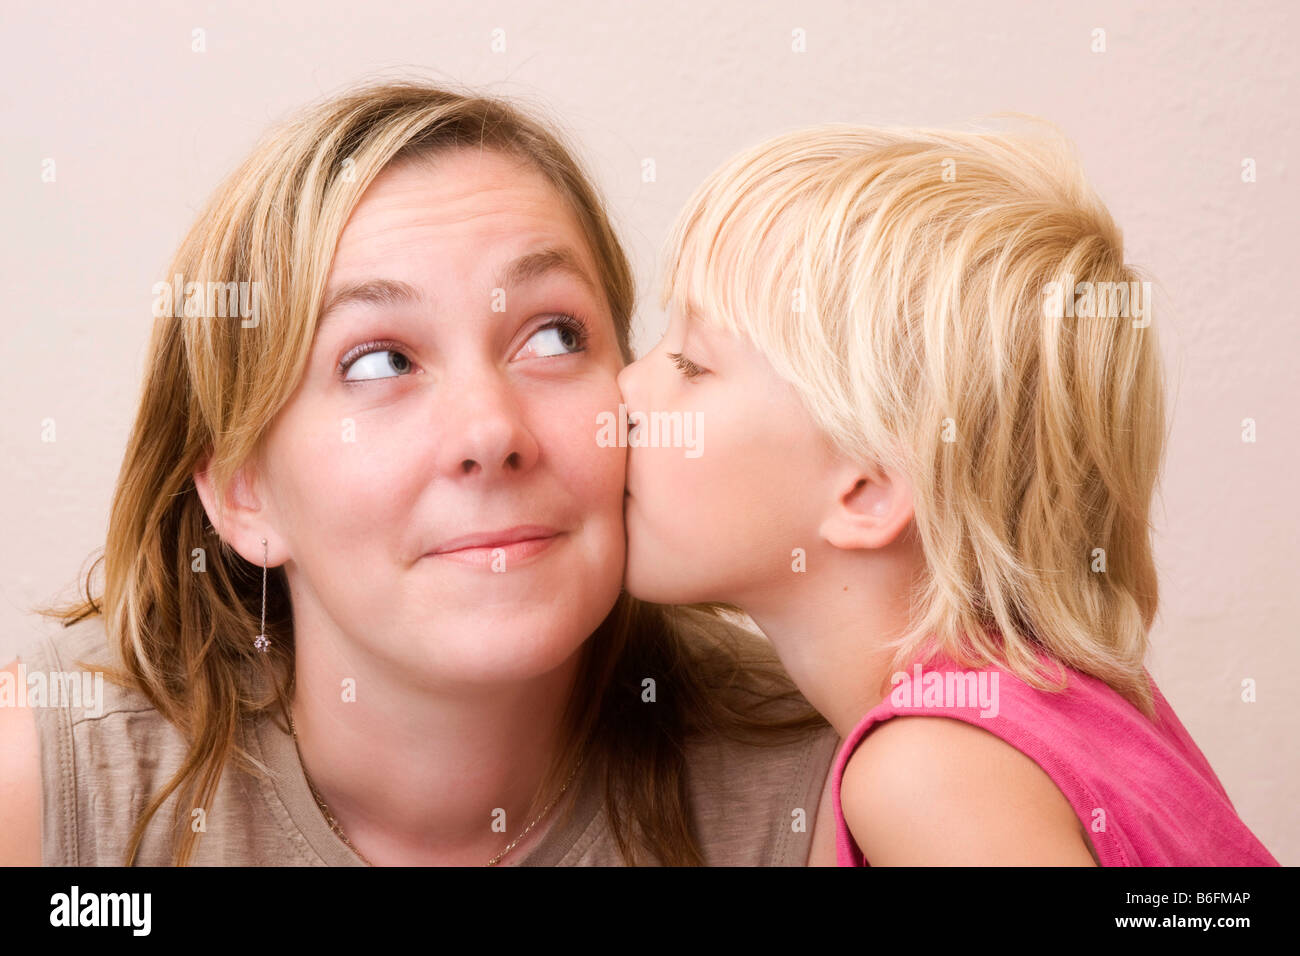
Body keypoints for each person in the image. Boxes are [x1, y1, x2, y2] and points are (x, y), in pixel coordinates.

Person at [0, 80, 839, 867]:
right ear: (242, 492)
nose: (490, 432)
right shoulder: (46, 783)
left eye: (553, 337)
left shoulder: (825, 790)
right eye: (379, 362)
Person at [616, 121, 1280, 866]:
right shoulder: (1057, 709)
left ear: (866, 490)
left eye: (691, 364)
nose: (626, 386)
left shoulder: (929, 773)